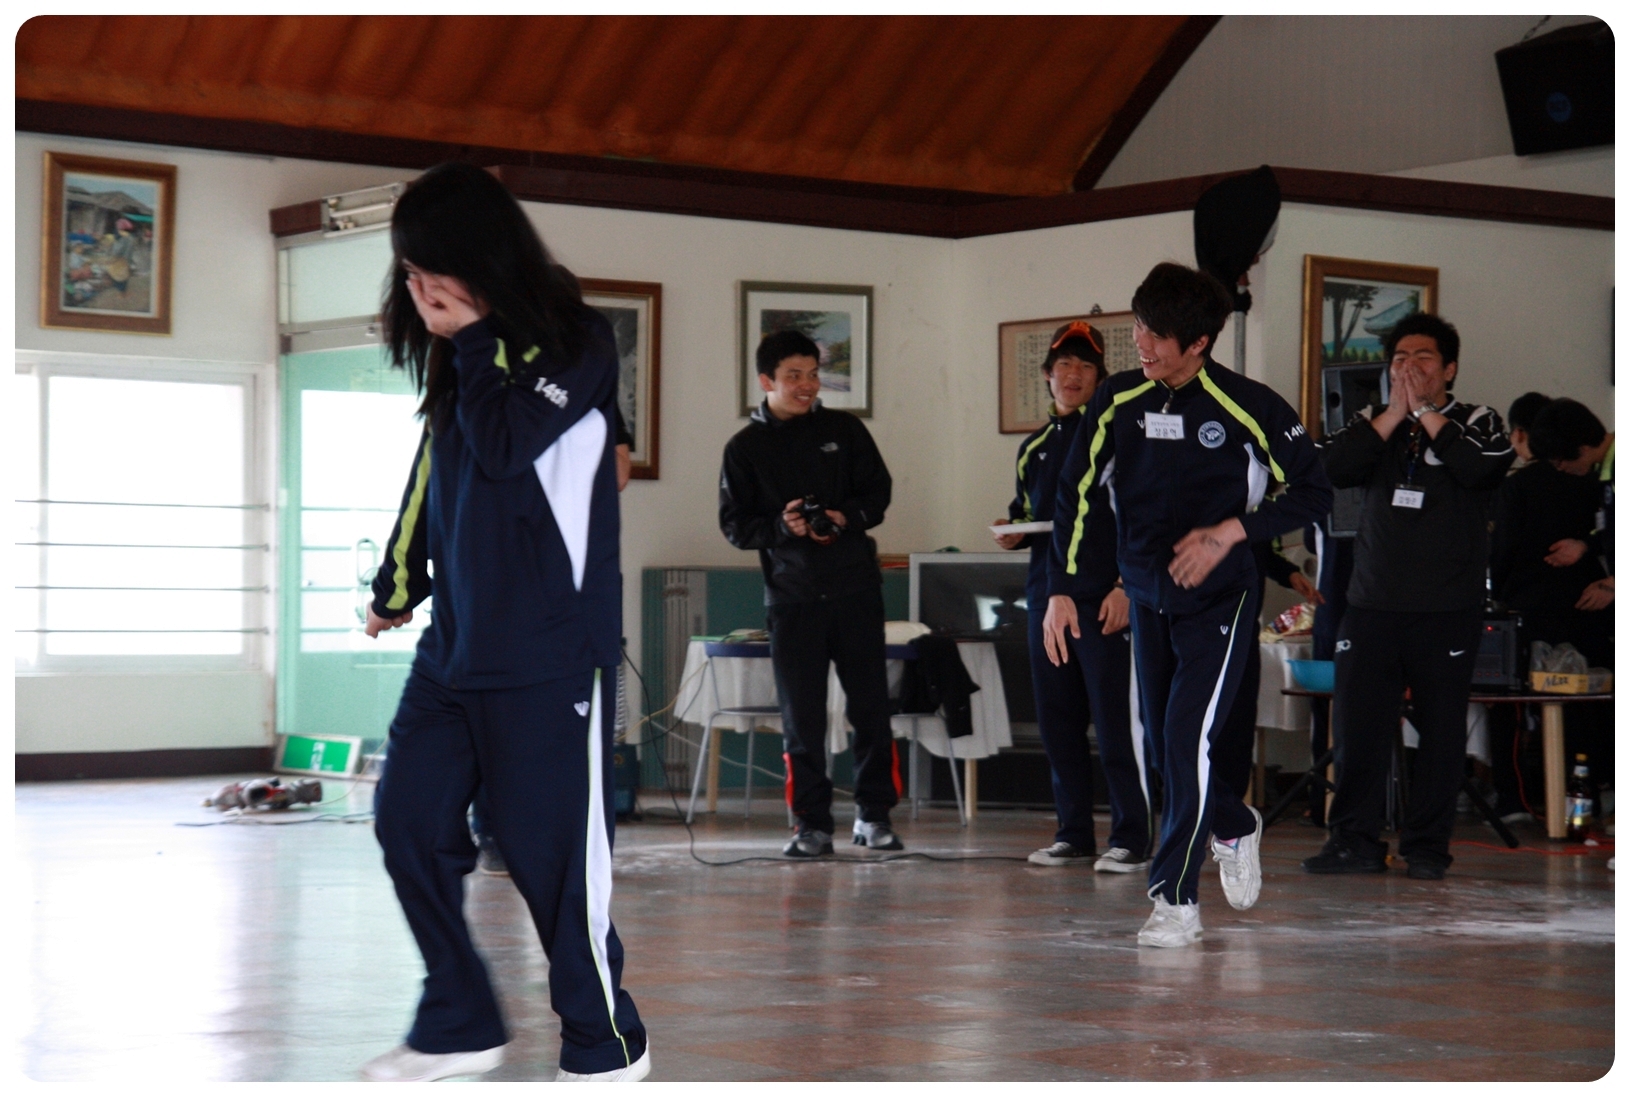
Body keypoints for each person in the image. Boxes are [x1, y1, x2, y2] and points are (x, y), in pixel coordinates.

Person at [360, 163, 648, 1083]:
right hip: (453, 650)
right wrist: (396, 583)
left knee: (551, 859)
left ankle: (606, 1043)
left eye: (428, 269)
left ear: (480, 255)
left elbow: (502, 443)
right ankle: (459, 1023)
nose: (418, 291)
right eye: (408, 273)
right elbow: (436, 469)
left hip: (551, 653)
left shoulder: (578, 342)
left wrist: (474, 337)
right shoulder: (460, 354)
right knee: (408, 823)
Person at [1046, 263, 1332, 947]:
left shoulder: (1248, 405)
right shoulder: (1118, 398)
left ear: (1199, 342)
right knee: (1163, 752)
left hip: (1221, 597)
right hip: (1147, 595)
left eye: (1157, 334)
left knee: (1183, 740)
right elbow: (1076, 493)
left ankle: (1174, 900)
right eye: (1139, 326)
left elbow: (1313, 491)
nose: (1141, 343)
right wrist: (1062, 586)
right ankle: (1232, 822)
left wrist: (1232, 531)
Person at [1306, 313, 1514, 881]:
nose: (1408, 367)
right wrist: (1396, 413)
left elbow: (1481, 470)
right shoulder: (1373, 420)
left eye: (1422, 358)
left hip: (1447, 608)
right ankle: (1353, 842)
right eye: (1399, 359)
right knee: (1357, 728)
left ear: (1449, 369)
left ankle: (1426, 849)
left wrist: (1424, 411)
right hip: (1372, 603)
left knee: (1442, 733)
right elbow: (1329, 468)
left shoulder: (1478, 420)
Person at [718, 330, 901, 857]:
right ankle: (810, 825)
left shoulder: (845, 430)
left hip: (856, 590)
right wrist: (783, 527)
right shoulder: (743, 448)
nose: (807, 385)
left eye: (814, 374)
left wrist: (847, 516)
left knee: (871, 711)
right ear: (766, 381)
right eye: (793, 376)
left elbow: (879, 493)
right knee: (802, 719)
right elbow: (735, 526)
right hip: (792, 599)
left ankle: (874, 817)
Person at [992, 321, 1149, 873]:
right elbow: (1031, 514)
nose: (1074, 375)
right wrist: (1011, 532)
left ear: (1100, 378)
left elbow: (1140, 517)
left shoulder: (1120, 436)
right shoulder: (1033, 447)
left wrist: (1126, 586)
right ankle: (1073, 833)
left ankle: (1132, 836)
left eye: (1086, 366)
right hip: (1047, 600)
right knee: (1058, 723)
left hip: (1106, 599)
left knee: (1117, 724)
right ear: (1047, 375)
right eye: (1065, 365)